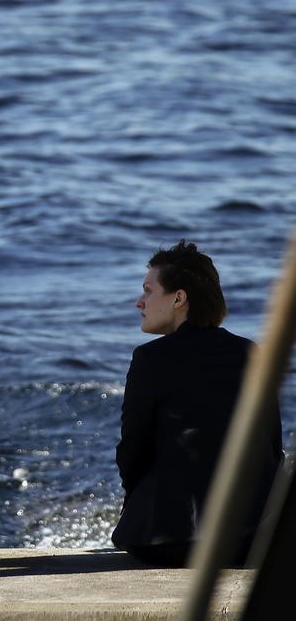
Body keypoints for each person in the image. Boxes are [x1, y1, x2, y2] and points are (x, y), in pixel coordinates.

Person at [112, 240, 283, 567]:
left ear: (179, 298)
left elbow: (133, 449)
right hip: (252, 541)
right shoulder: (252, 353)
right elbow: (272, 445)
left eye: (148, 290)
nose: (139, 302)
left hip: (174, 543)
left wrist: (135, 508)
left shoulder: (150, 358)